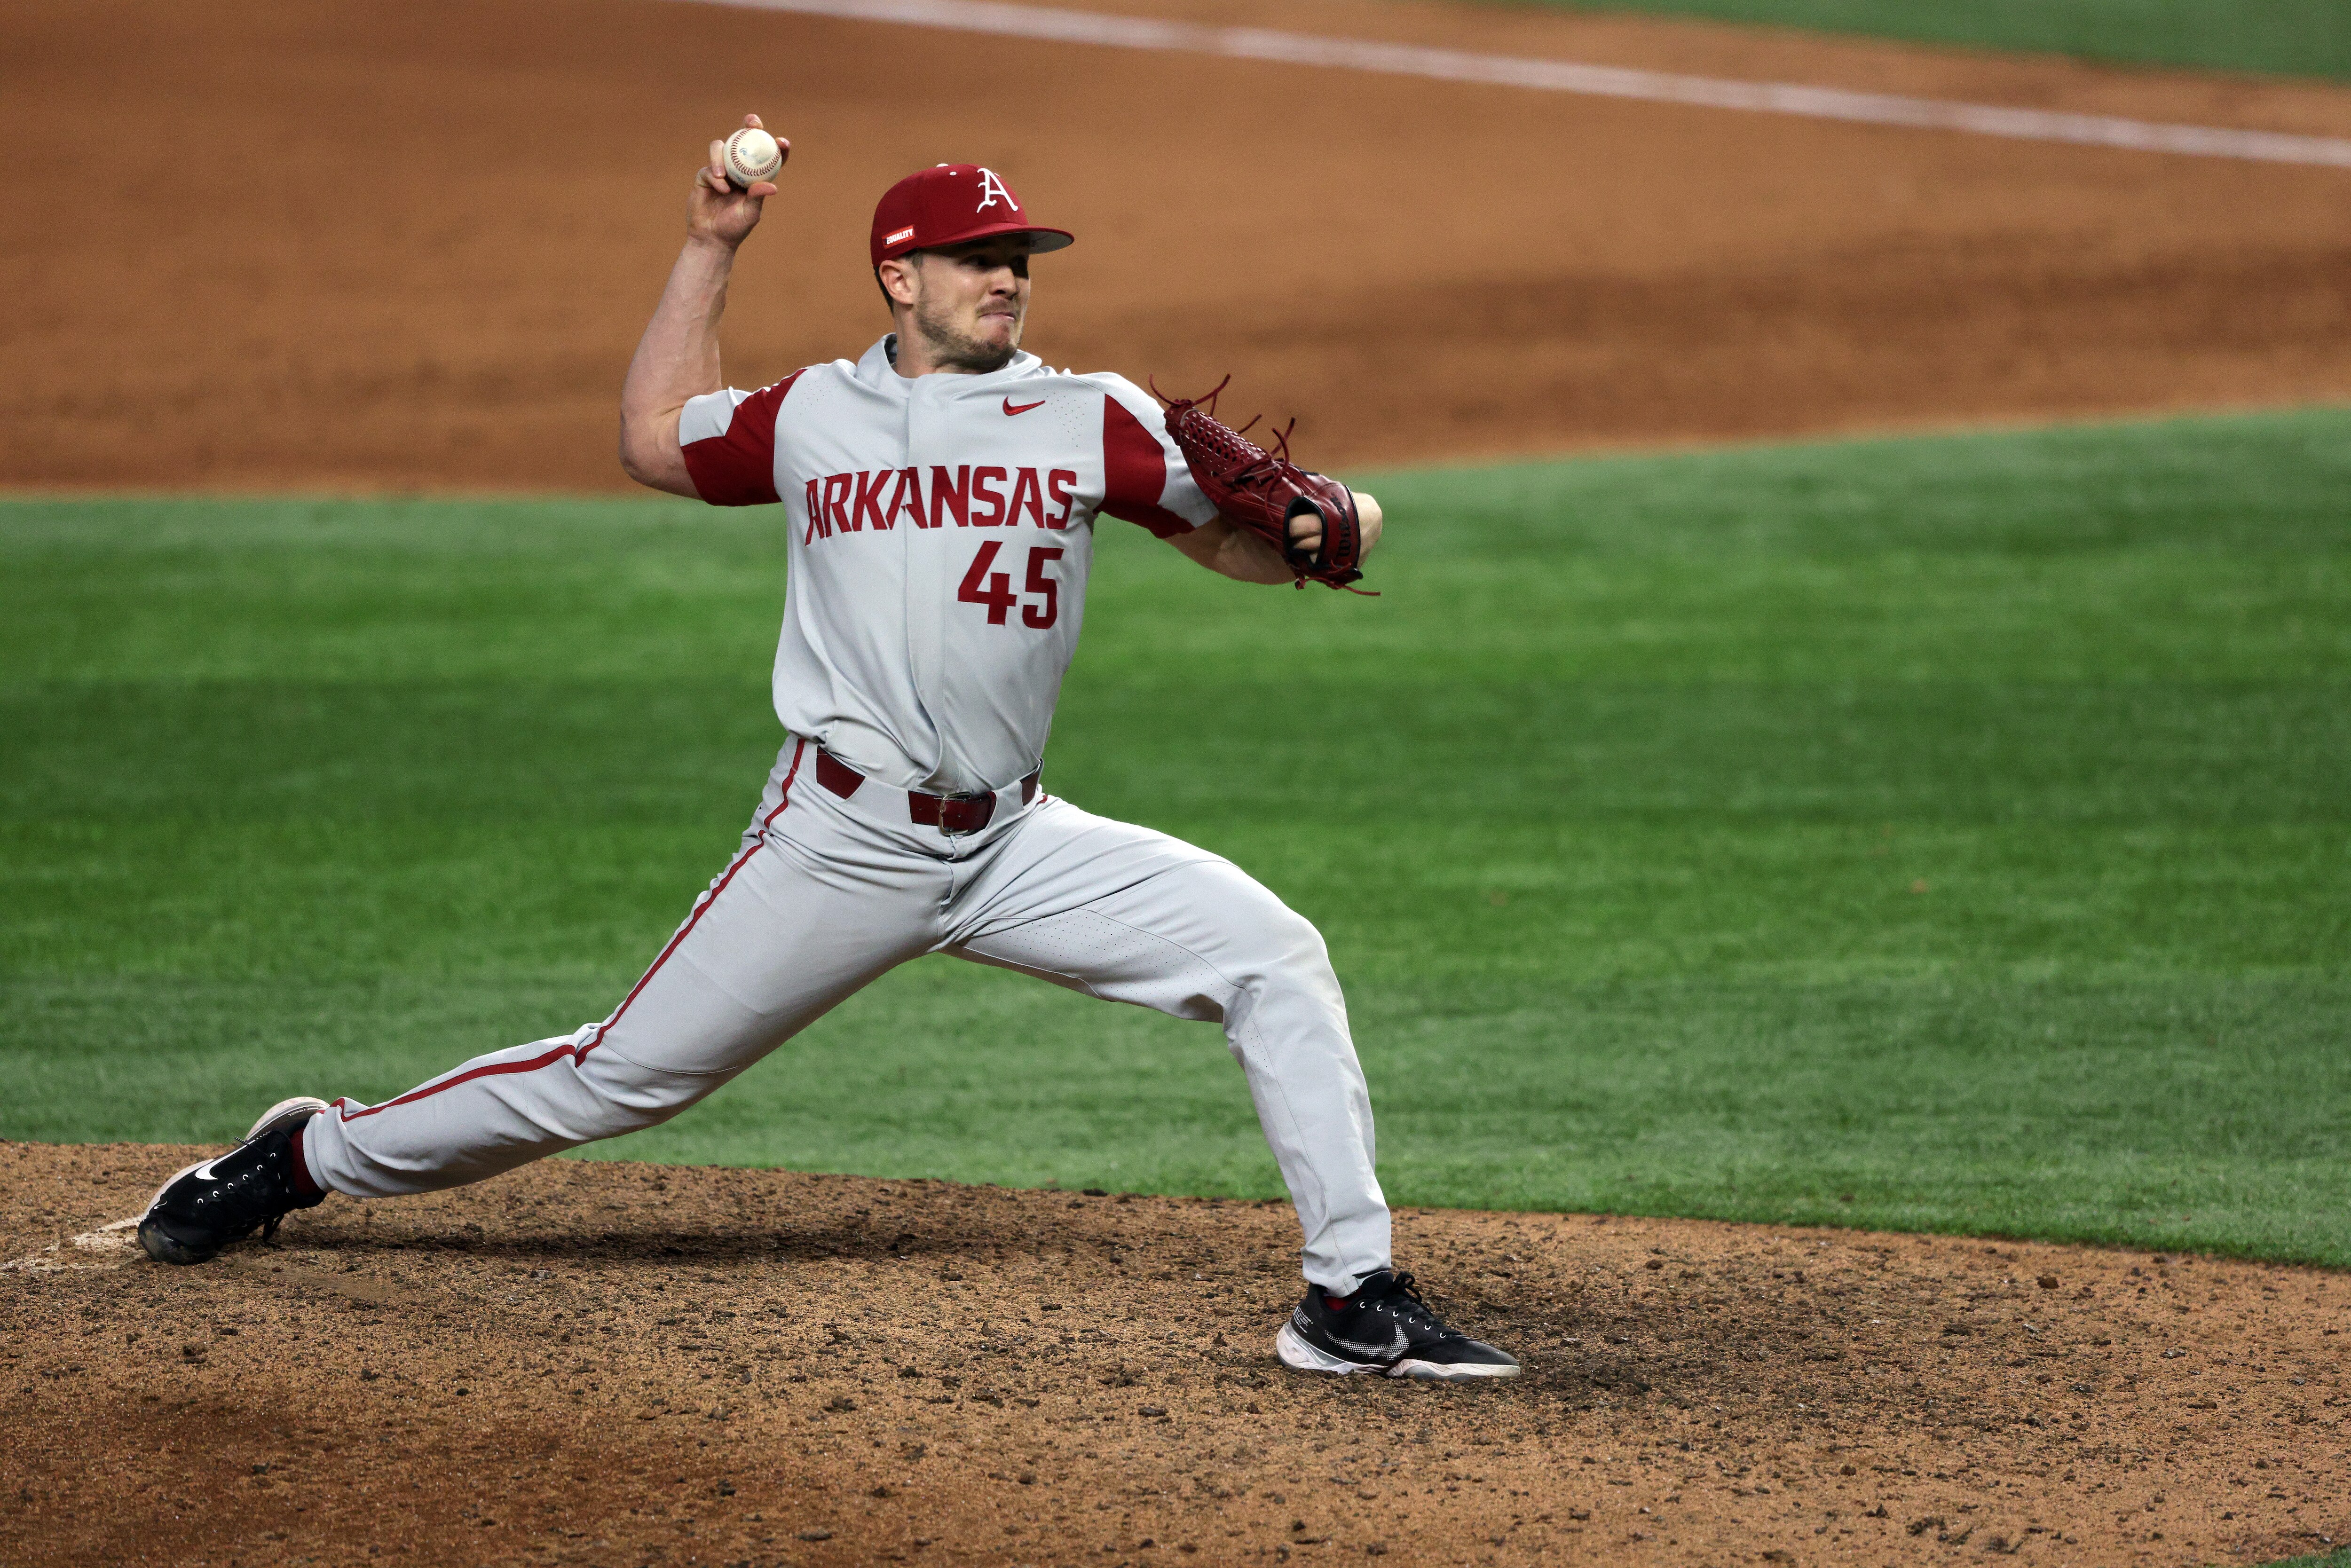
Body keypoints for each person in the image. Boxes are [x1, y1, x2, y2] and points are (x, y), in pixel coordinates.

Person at [137, 116, 1520, 1382]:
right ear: (898, 279)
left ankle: (1347, 1299)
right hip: (838, 839)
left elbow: (1258, 540)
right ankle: (305, 1157)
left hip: (1016, 843)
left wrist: (1333, 526)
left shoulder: (1097, 415)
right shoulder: (809, 414)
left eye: (1020, 257)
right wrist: (707, 249)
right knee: (621, 1078)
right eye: (978, 259)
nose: (1010, 277)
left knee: (1272, 952)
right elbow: (649, 440)